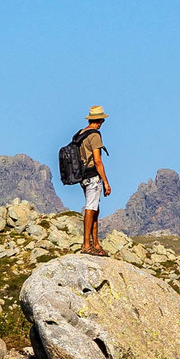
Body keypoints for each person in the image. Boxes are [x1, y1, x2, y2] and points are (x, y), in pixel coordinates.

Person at [79, 106, 111, 254]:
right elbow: (98, 161)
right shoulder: (94, 136)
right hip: (93, 176)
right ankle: (87, 244)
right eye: (102, 120)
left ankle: (96, 244)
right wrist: (105, 182)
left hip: (83, 177)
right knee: (91, 209)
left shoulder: (81, 134)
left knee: (95, 209)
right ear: (99, 120)